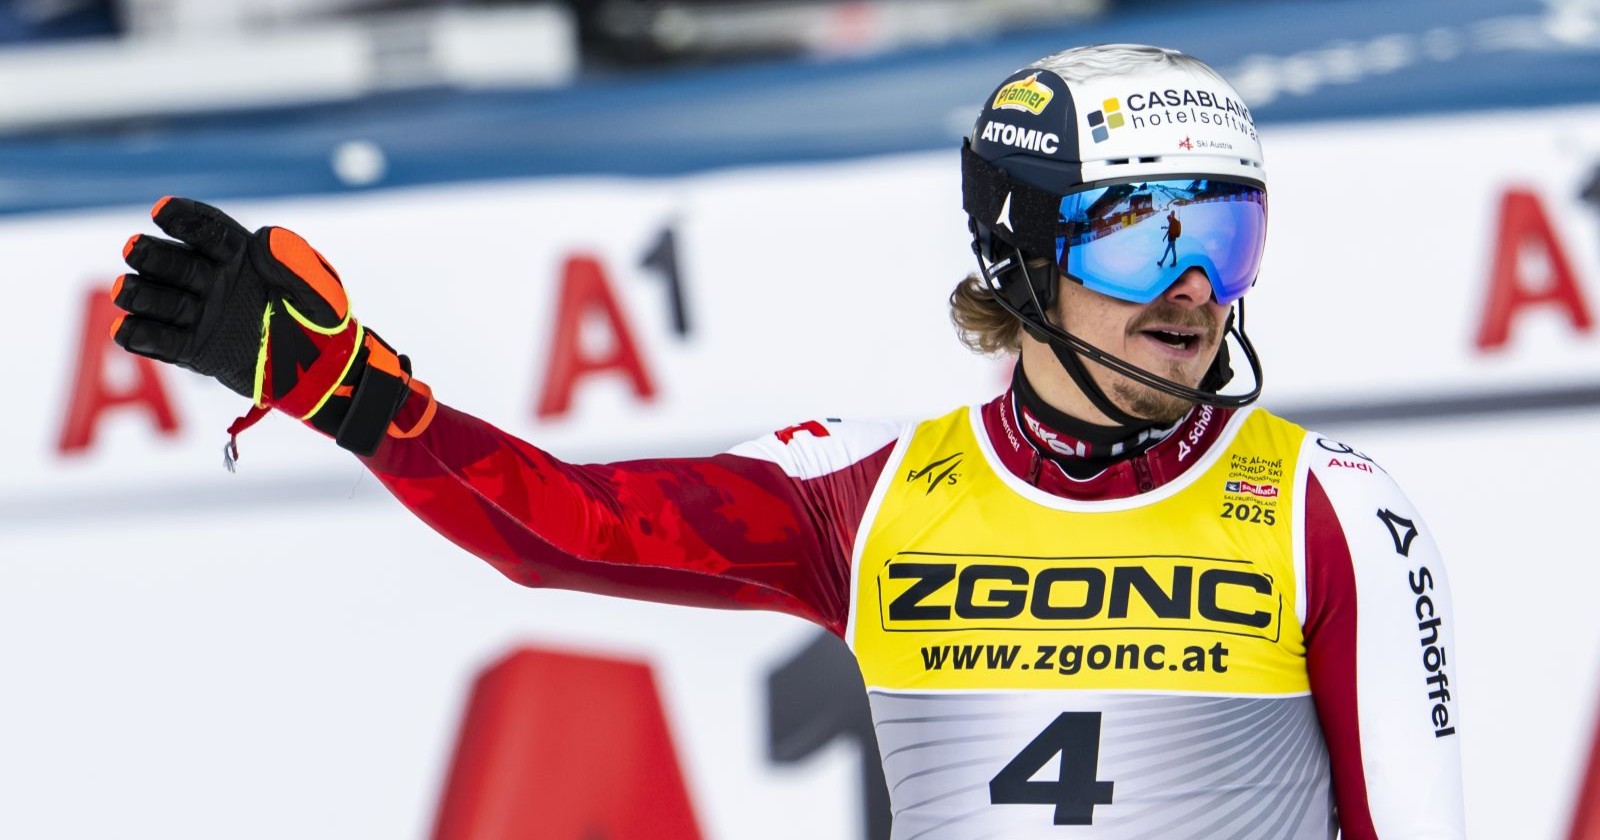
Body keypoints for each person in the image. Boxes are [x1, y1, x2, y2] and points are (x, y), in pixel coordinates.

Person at [109, 44, 1465, 839]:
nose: (1196, 290)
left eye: (1225, 236)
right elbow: (565, 527)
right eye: (1147, 234)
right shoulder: (866, 494)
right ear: (1023, 253)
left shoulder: (1326, 507)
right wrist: (350, 394)